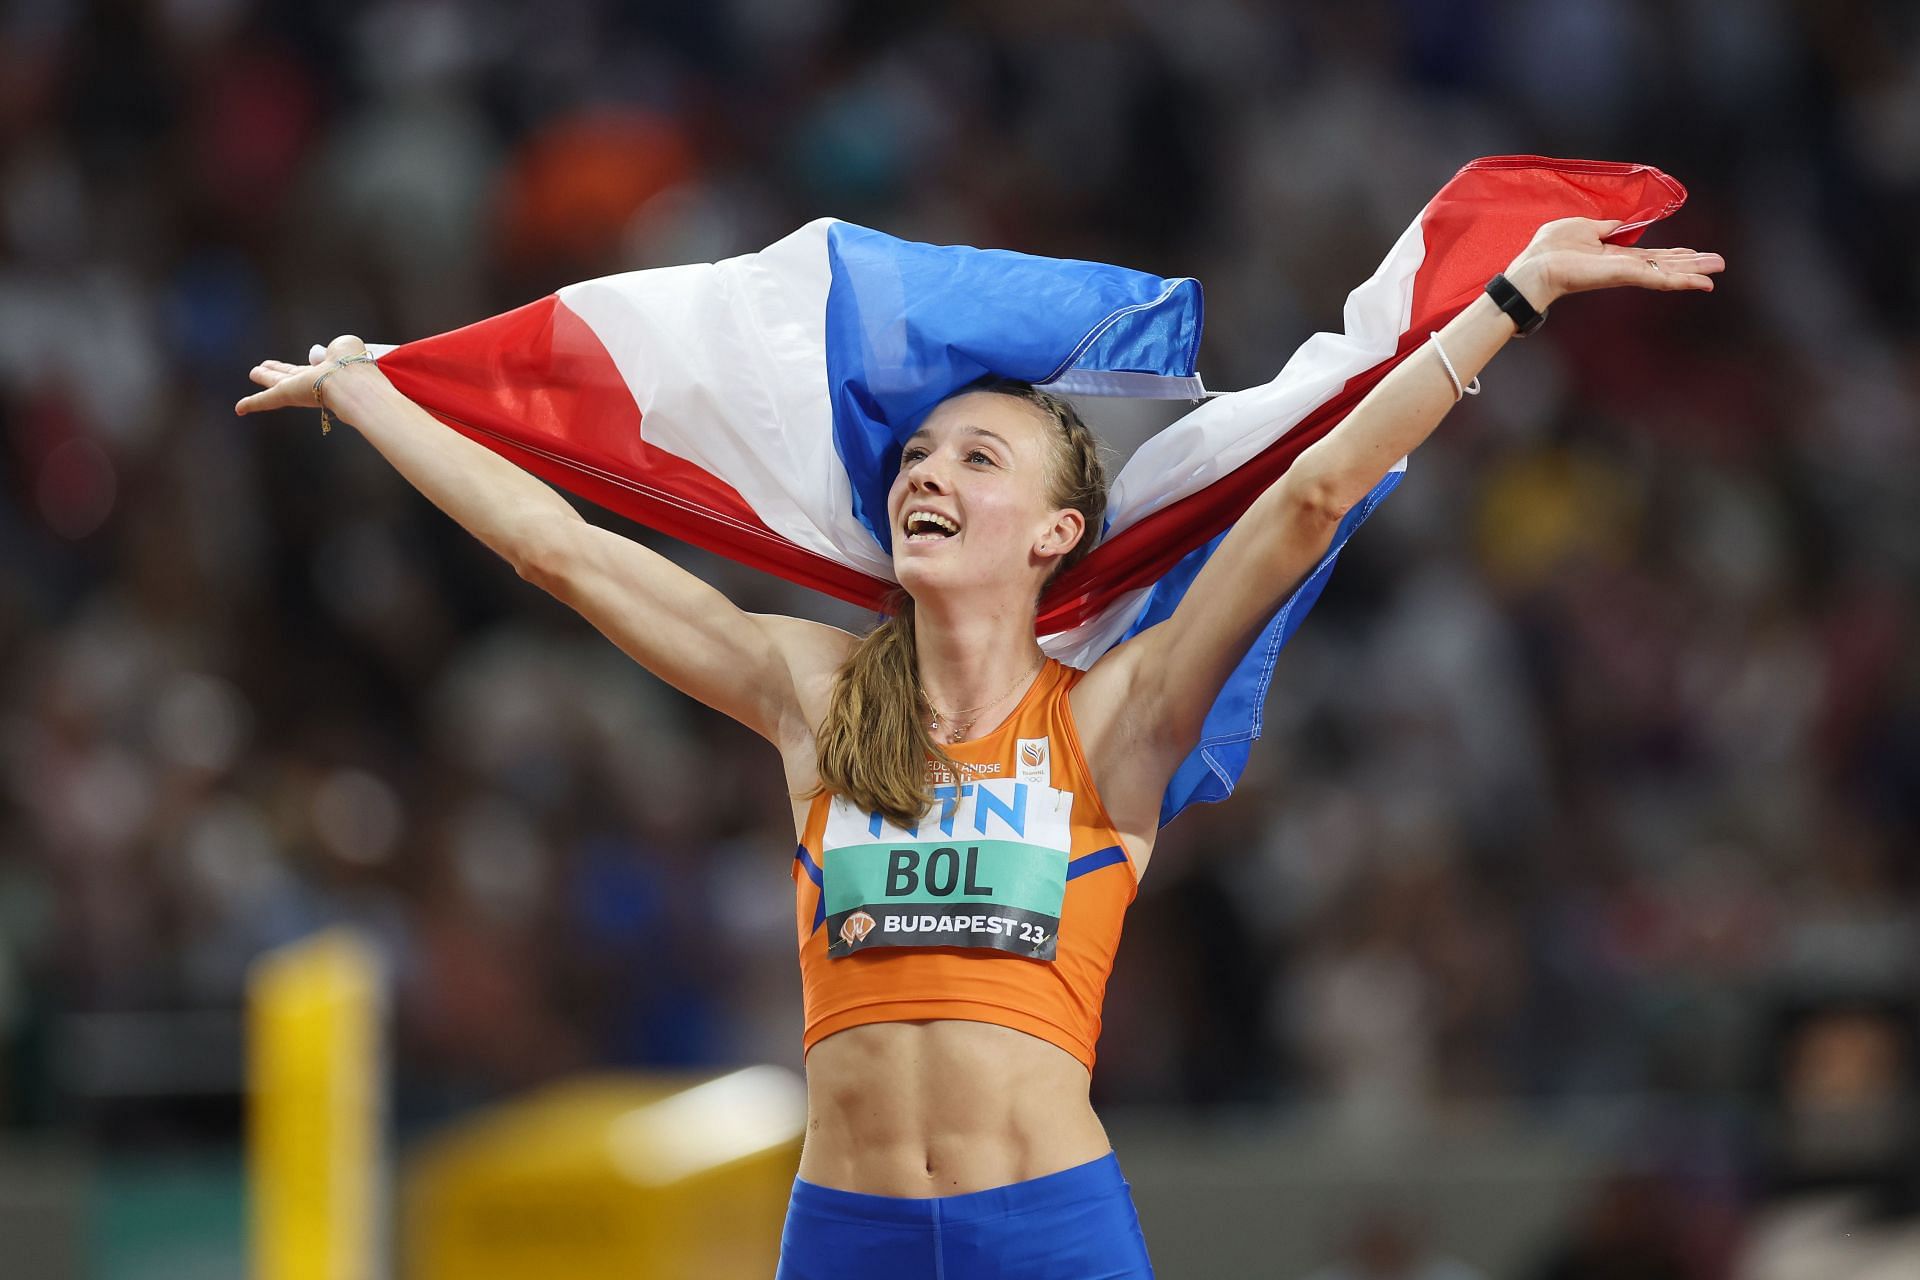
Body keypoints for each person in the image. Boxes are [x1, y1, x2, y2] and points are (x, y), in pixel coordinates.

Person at [237, 218, 1722, 1279]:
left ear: (1059, 534)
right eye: (920, 456)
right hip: (847, 1234)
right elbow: (562, 552)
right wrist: (371, 393)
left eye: (978, 458)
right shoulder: (816, 701)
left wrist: (1509, 298)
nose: (930, 472)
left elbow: (1316, 491)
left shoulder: (1114, 720)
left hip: (1047, 1229)